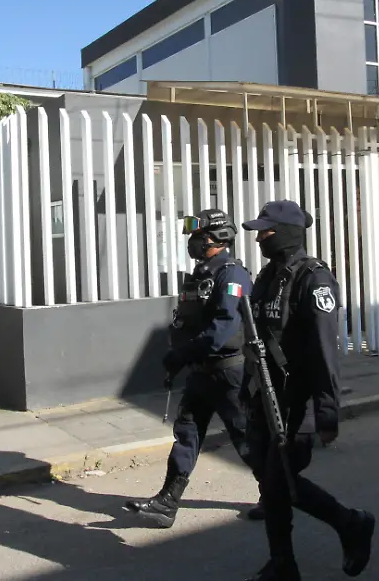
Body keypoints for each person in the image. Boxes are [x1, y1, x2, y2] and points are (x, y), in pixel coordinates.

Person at [239, 200, 375, 581]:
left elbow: (324, 351)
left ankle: (345, 528)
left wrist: (327, 411)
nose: (260, 239)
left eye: (267, 232)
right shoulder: (268, 277)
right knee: (274, 484)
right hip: (266, 398)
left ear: (286, 232)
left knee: (279, 483)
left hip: (296, 403)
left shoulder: (314, 280)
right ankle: (293, 557)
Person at [125, 208, 259, 528]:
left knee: (244, 437)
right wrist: (179, 357)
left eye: (200, 236)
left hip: (228, 373)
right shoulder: (201, 275)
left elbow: (223, 328)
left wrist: (183, 354)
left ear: (219, 237)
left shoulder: (231, 275)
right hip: (201, 371)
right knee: (186, 434)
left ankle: (276, 491)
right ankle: (167, 503)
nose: (194, 242)